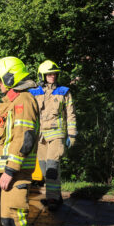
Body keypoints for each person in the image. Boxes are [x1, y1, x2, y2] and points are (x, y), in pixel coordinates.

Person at [0, 56, 58, 226]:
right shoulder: (14, 100)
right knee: (8, 222)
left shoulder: (23, 101)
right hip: (11, 174)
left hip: (16, 174)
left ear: (10, 78)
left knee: (16, 224)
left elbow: (25, 139)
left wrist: (9, 170)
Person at [29, 60, 77, 211]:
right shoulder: (34, 92)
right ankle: (57, 194)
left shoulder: (64, 92)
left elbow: (71, 114)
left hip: (57, 135)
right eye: (49, 74)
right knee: (44, 168)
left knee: (52, 166)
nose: (52, 76)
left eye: (54, 73)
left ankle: (52, 198)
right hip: (40, 136)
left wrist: (72, 134)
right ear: (42, 75)